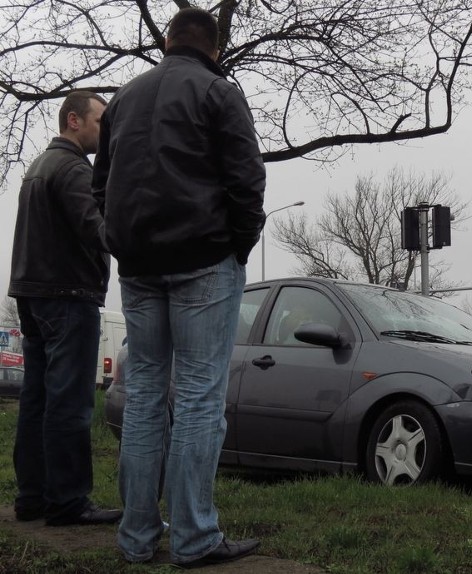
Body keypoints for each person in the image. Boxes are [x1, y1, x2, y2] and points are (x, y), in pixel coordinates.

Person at [92, 7, 266, 568]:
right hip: (204, 260)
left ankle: (136, 538)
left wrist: (118, 240)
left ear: (167, 40)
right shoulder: (219, 91)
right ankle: (194, 538)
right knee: (197, 399)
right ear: (214, 47)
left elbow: (101, 186)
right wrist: (237, 245)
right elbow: (246, 177)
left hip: (139, 267)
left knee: (143, 397)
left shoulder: (122, 98)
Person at [8, 91, 122, 526]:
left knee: (36, 398)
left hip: (33, 294)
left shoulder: (39, 166)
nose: (104, 129)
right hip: (67, 295)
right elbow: (99, 230)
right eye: (100, 121)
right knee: (70, 402)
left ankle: (32, 496)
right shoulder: (73, 168)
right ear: (74, 120)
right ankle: (68, 500)